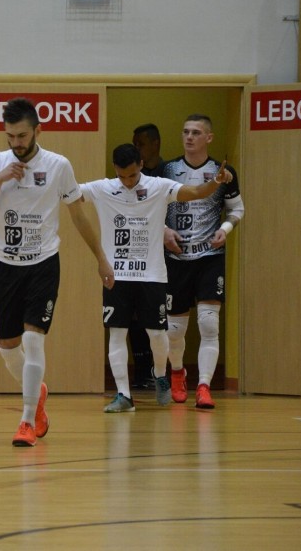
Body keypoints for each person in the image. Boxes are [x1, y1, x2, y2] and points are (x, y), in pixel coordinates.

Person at [0, 97, 114, 446]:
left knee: (34, 339)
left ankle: (27, 420)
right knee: (8, 346)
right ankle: (39, 394)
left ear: (37, 130)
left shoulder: (58, 165)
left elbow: (78, 214)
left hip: (43, 263)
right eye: (10, 137)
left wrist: (101, 258)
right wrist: (0, 179)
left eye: (21, 136)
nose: (16, 144)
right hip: (6, 264)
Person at [79, 143, 233, 412]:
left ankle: (161, 376)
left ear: (140, 164)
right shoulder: (102, 188)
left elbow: (197, 192)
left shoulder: (160, 186)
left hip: (152, 274)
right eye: (121, 175)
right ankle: (123, 395)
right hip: (117, 274)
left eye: (132, 175)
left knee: (157, 333)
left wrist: (216, 182)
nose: (127, 181)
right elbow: (69, 194)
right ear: (115, 169)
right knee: (117, 332)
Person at [163, 114, 244, 409]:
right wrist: (163, 230)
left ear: (209, 137)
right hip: (176, 257)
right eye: (185, 131)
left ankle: (204, 386)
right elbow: (149, 207)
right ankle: (177, 373)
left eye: (196, 132)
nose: (189, 137)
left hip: (210, 257)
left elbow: (237, 209)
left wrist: (225, 230)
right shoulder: (167, 169)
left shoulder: (223, 173)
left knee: (209, 324)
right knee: (173, 330)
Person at [129, 123, 165, 390]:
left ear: (155, 144)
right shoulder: (130, 175)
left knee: (160, 317)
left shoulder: (169, 173)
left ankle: (161, 372)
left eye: (140, 143)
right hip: (135, 251)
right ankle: (141, 371)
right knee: (133, 316)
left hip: (164, 255)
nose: (136, 149)